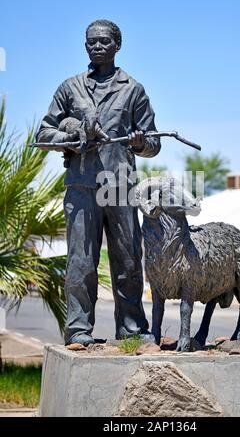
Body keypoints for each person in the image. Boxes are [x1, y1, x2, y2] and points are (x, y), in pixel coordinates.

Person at [36, 19, 161, 346]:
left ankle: (132, 330)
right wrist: (72, 136)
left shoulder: (133, 89)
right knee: (80, 261)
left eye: (104, 41)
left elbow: (153, 143)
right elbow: (43, 134)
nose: (97, 46)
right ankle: (78, 330)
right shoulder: (69, 88)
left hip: (119, 185)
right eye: (91, 41)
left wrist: (137, 142)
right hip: (81, 187)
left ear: (117, 45)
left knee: (129, 261)